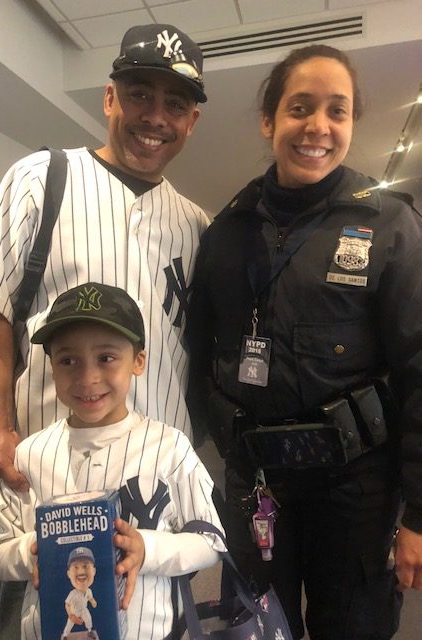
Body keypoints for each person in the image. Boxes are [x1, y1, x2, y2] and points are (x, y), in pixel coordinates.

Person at [0, 22, 208, 639]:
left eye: (176, 104)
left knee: (152, 621)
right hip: (47, 478)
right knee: (35, 620)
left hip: (156, 492)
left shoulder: (196, 226)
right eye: (140, 94)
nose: (156, 116)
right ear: (110, 98)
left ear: (192, 121)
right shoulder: (43, 178)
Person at [187, 43, 422, 640]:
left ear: (350, 124)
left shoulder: (389, 225)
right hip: (256, 486)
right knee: (258, 628)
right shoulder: (226, 232)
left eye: (337, 111)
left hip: (358, 490)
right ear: (269, 121)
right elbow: (200, 356)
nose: (318, 127)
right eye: (300, 108)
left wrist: (419, 514)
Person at [0, 281, 223, 640]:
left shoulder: (168, 447)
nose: (88, 377)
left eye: (106, 358)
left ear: (138, 360)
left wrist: (148, 547)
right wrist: (27, 552)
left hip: (148, 629)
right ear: (51, 366)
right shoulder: (30, 456)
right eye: (68, 360)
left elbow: (211, 542)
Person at [63, 547, 98, 640]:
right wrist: (70, 614)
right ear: (68, 574)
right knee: (69, 625)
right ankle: (65, 636)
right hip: (74, 611)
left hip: (83, 609)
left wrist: (93, 602)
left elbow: (90, 598)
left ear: (94, 571)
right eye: (76, 567)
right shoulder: (73, 593)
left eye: (86, 566)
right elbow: (67, 604)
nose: (81, 572)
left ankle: (89, 631)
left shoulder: (88, 591)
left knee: (88, 619)